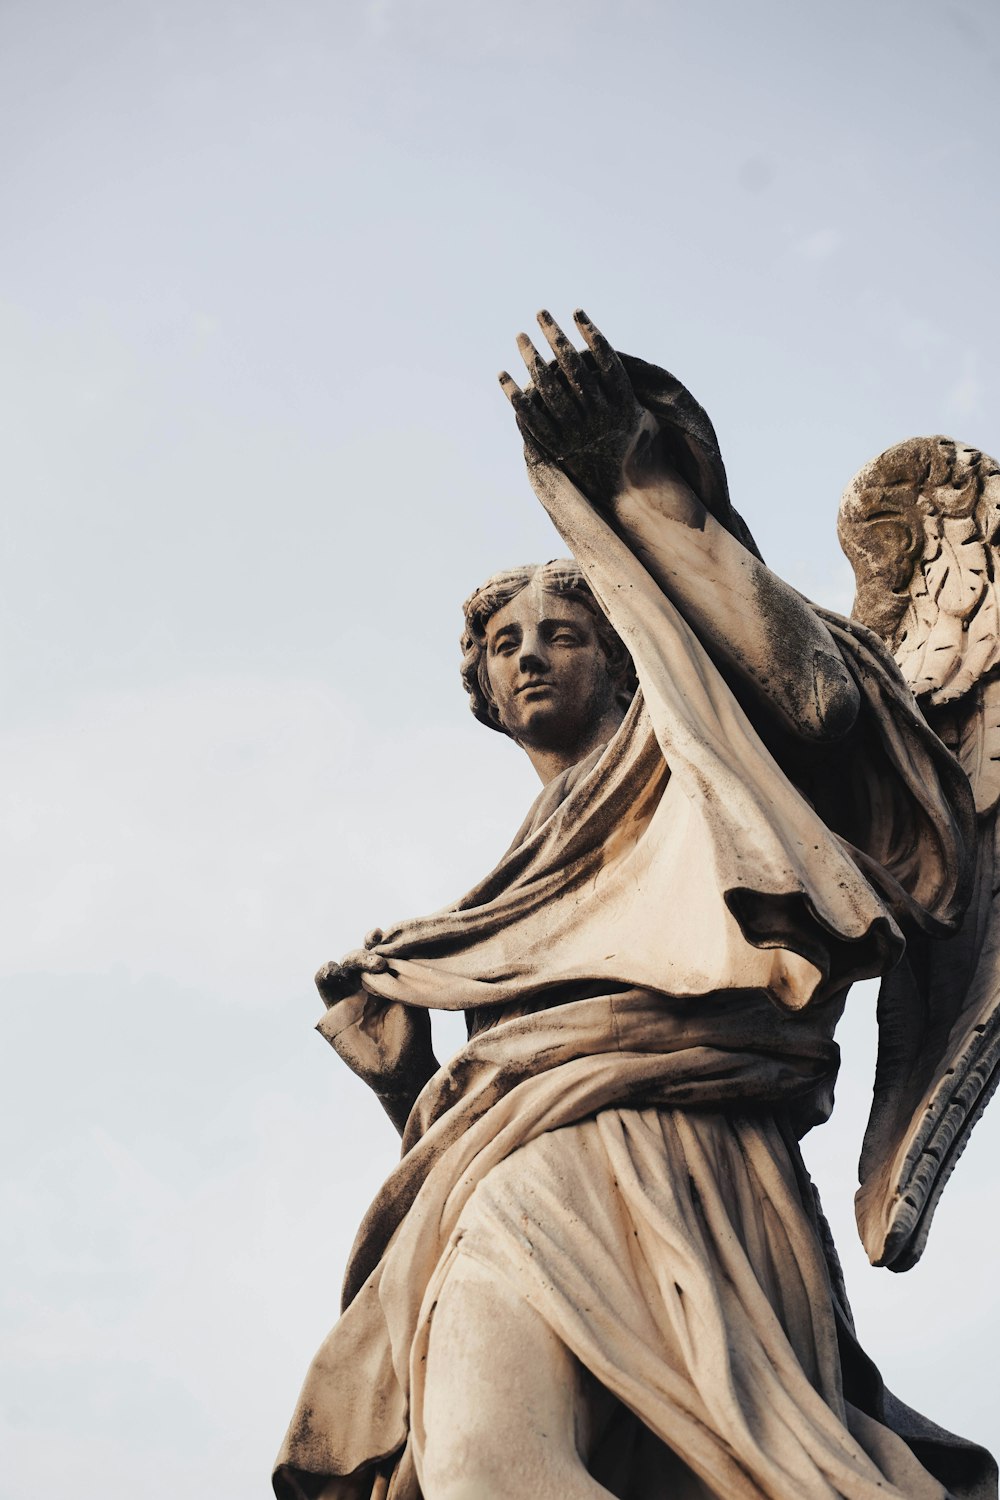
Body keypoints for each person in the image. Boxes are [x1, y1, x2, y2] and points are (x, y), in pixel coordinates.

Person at [274, 315, 996, 1500]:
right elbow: (509, 1086)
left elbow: (815, 703)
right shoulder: (508, 883)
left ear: (623, 651)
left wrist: (641, 496)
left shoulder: (706, 753)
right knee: (481, 1470)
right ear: (482, 691)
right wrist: (405, 1085)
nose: (529, 656)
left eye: (563, 631)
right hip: (518, 1163)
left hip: (682, 1161)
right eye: (504, 643)